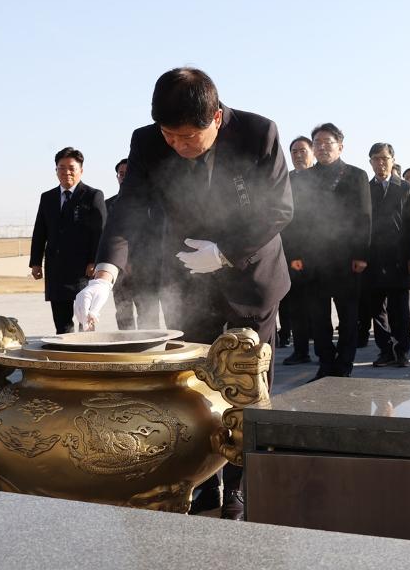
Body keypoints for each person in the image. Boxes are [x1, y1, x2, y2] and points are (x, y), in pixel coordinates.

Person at [74, 67, 292, 520]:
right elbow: (129, 209)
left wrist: (226, 252)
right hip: (189, 279)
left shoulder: (258, 134)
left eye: (188, 136)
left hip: (251, 277)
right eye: (169, 135)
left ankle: (241, 487)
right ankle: (202, 478)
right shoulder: (147, 141)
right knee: (195, 382)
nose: (178, 145)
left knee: (246, 383)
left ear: (216, 118)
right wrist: (104, 276)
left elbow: (278, 208)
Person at [294, 122, 371, 381]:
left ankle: (344, 364)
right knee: (318, 316)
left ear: (340, 146)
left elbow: (364, 217)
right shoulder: (303, 178)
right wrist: (295, 254)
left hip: (347, 257)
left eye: (328, 142)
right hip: (313, 256)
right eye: (317, 143)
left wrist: (361, 255)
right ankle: (325, 363)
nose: (322, 147)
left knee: (348, 314)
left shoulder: (356, 175)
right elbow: (297, 219)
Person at [30, 147, 106, 334]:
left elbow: (100, 232)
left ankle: (87, 349)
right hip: (56, 269)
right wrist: (36, 262)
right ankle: (65, 350)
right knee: (62, 323)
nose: (66, 172)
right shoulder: (47, 198)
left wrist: (94, 261)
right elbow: (40, 231)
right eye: (61, 168)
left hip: (83, 270)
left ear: (81, 170)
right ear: (56, 170)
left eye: (72, 168)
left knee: (85, 320)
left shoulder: (93, 195)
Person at [364, 142, 410, 367]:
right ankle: (385, 350)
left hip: (400, 258)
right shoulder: (365, 189)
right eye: (376, 159)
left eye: (384, 158)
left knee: (401, 310)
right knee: (377, 309)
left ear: (393, 160)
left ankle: (402, 350)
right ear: (370, 162)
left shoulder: (405, 188)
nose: (380, 163)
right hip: (373, 258)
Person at [105, 159, 160, 331]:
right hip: (120, 273)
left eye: (128, 174)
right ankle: (127, 345)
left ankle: (150, 346)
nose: (124, 177)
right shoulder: (108, 204)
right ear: (117, 177)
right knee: (124, 316)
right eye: (121, 174)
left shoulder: (153, 203)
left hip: (146, 271)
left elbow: (155, 236)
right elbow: (106, 238)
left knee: (149, 316)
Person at [279, 136, 316, 365]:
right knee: (297, 306)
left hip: (319, 251)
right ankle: (301, 351)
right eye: (294, 152)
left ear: (312, 153)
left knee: (320, 306)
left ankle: (324, 351)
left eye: (303, 150)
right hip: (292, 253)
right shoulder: (285, 180)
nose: (298, 155)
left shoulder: (321, 178)